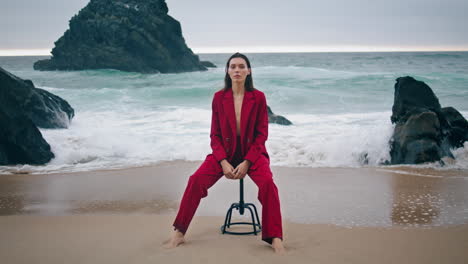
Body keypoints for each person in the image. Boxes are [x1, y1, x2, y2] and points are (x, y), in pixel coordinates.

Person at [164, 52, 285, 254]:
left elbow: (261, 135)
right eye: (233, 66)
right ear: (227, 71)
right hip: (223, 154)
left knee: (268, 185)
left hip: (253, 154)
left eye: (241, 66)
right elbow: (215, 135)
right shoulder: (219, 98)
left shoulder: (259, 97)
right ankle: (179, 233)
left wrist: (247, 162)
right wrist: (222, 161)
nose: (237, 70)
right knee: (195, 180)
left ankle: (275, 238)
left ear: (249, 71)